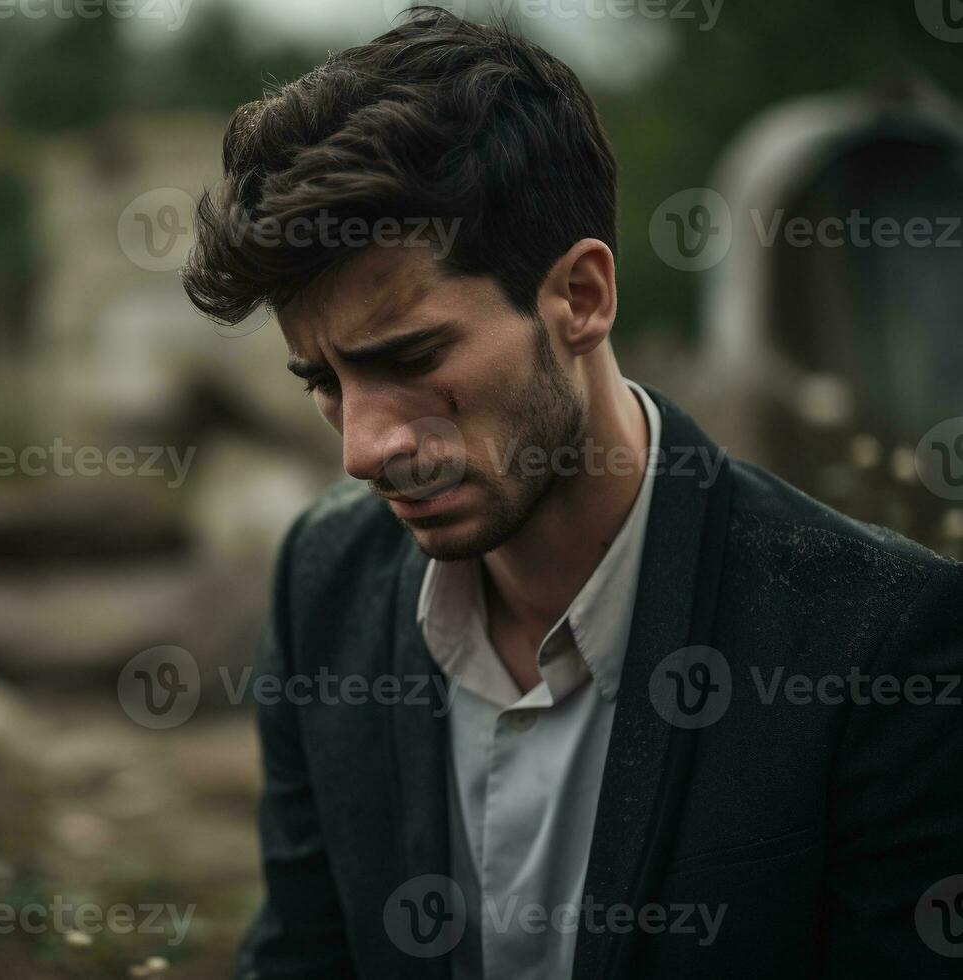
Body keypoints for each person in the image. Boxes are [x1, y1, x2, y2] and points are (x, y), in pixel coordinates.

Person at [180, 8, 963, 978]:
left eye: (414, 356)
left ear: (582, 297)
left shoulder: (878, 639)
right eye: (326, 383)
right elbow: (302, 957)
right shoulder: (324, 579)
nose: (366, 445)